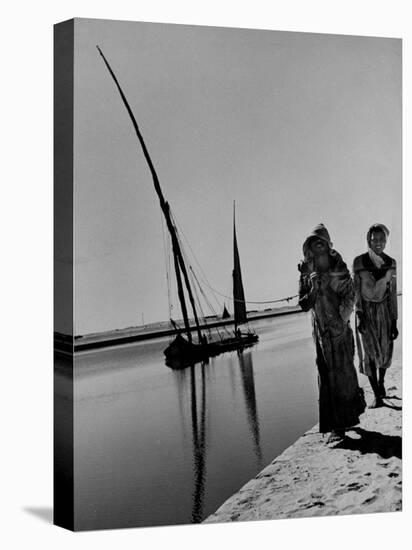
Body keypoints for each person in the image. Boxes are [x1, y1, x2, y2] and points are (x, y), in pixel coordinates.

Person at [298, 223, 365, 443]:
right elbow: (303, 304)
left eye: (322, 243)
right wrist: (315, 288)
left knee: (344, 374)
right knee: (328, 377)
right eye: (314, 243)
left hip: (340, 331)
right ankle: (336, 426)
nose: (319, 247)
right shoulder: (306, 271)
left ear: (327, 245)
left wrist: (341, 319)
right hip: (321, 335)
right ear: (310, 247)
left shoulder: (339, 266)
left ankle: (342, 426)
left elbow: (351, 295)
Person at [353, 223, 398, 408]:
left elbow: (393, 292)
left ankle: (381, 383)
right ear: (368, 240)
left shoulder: (391, 263)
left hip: (385, 313)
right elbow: (356, 291)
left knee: (385, 350)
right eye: (375, 239)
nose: (378, 243)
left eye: (382, 239)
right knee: (369, 353)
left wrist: (394, 321)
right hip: (365, 312)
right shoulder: (359, 262)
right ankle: (377, 395)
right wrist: (360, 315)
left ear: (386, 241)